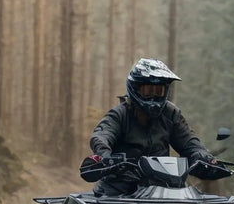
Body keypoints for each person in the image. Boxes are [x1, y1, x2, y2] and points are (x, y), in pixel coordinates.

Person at [87, 58, 216, 196]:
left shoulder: (171, 113)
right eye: (148, 91)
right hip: (120, 191)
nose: (153, 96)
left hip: (164, 190)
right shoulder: (120, 114)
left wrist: (203, 156)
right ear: (135, 88)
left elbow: (189, 142)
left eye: (158, 91)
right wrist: (105, 156)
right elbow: (101, 135)